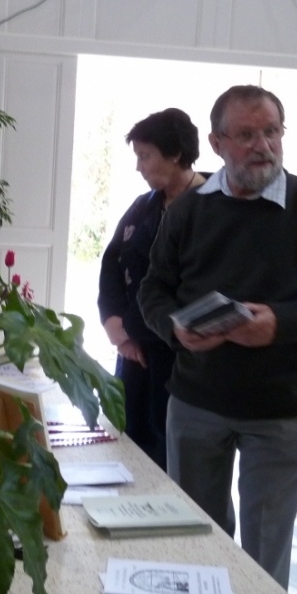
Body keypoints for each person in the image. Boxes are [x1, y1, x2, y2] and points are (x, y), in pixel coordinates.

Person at [138, 85, 297, 588]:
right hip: (197, 404)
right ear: (217, 142)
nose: (262, 144)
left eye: (271, 131)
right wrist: (175, 330)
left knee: (266, 554)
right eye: (246, 134)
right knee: (197, 538)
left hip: (282, 411)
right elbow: (154, 290)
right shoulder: (188, 210)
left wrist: (281, 324)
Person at [98, 107, 205, 470]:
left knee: (171, 454)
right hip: (133, 351)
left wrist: (133, 329)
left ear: (175, 155)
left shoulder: (212, 208)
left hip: (179, 356)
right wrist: (118, 329)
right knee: (128, 444)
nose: (139, 166)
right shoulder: (143, 207)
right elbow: (111, 266)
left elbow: (192, 290)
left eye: (145, 156)